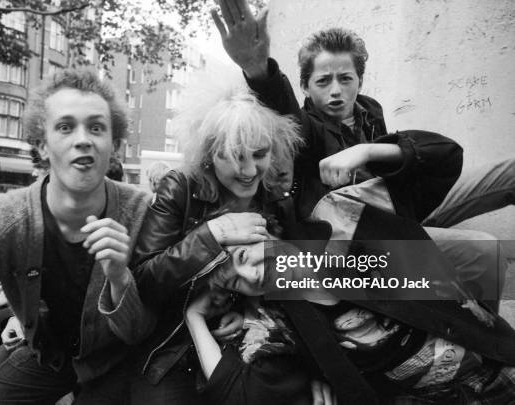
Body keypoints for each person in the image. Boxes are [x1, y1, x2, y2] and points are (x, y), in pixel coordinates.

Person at [212, 0, 512, 305]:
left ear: (359, 80)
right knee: (486, 249)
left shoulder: (370, 112)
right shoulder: (306, 131)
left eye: (345, 79)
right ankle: (486, 347)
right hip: (369, 239)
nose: (335, 91)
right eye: (323, 81)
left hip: (403, 204)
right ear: (305, 86)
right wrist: (257, 68)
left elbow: (443, 152)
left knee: (509, 172)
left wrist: (366, 150)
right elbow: (285, 110)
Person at [0, 68, 153, 404]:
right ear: (42, 146)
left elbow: (143, 331)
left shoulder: (144, 212)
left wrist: (120, 279)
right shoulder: (4, 221)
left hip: (118, 363)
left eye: (96, 127)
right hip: (46, 357)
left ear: (115, 145)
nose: (83, 139)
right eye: (65, 127)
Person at [130, 77, 303, 405]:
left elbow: (275, 280)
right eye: (235, 156)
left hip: (237, 344)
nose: (250, 170)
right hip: (171, 346)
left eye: (260, 154)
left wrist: (244, 310)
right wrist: (212, 235)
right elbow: (144, 280)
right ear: (209, 153)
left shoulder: (272, 201)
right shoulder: (181, 186)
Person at [192, 234, 515, 405]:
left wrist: (364, 153)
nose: (253, 274)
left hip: (499, 358)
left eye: (245, 257)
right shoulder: (276, 319)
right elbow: (239, 394)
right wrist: (193, 317)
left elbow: (440, 158)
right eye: (236, 282)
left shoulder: (340, 229)